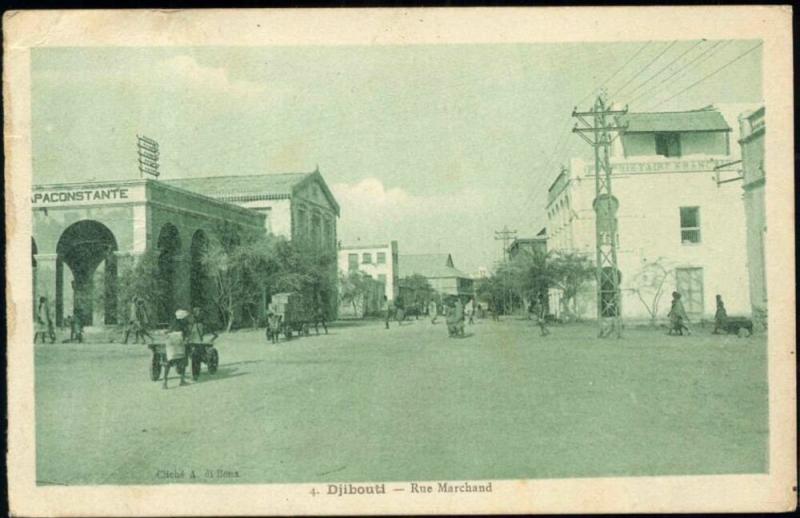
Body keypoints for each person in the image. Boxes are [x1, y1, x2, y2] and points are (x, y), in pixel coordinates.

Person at [163, 309, 190, 389]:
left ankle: (165, 382)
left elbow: (168, 331)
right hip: (179, 346)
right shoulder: (183, 325)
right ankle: (182, 380)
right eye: (185, 317)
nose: (186, 319)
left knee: (167, 363)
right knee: (184, 361)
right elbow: (186, 336)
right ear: (182, 318)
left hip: (170, 346)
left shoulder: (172, 324)